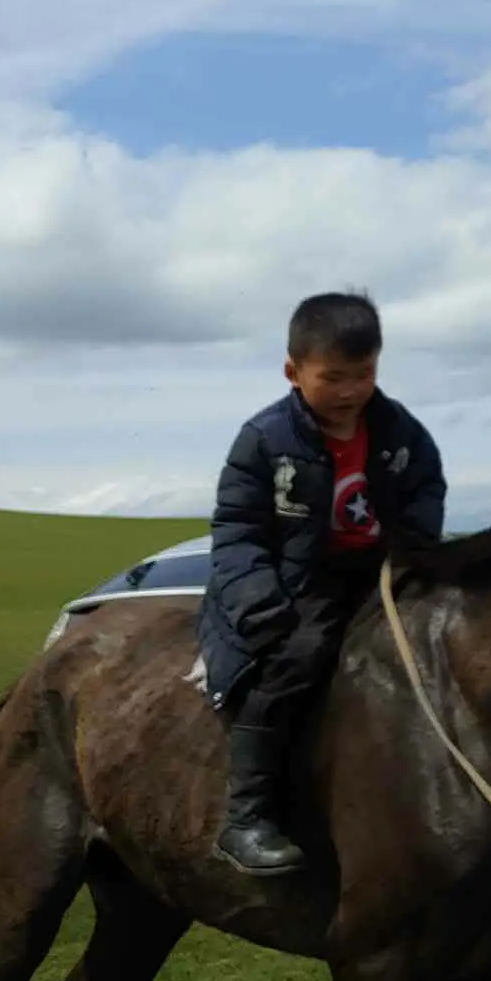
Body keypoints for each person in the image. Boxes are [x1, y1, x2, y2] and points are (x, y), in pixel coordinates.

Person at [197, 291, 447, 874]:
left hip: (381, 573)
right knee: (295, 659)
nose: (351, 391)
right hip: (295, 582)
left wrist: (412, 555)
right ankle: (245, 818)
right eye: (332, 377)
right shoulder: (264, 440)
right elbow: (236, 530)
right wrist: (258, 603)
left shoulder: (399, 432)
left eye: (364, 374)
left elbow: (424, 490)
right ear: (293, 371)